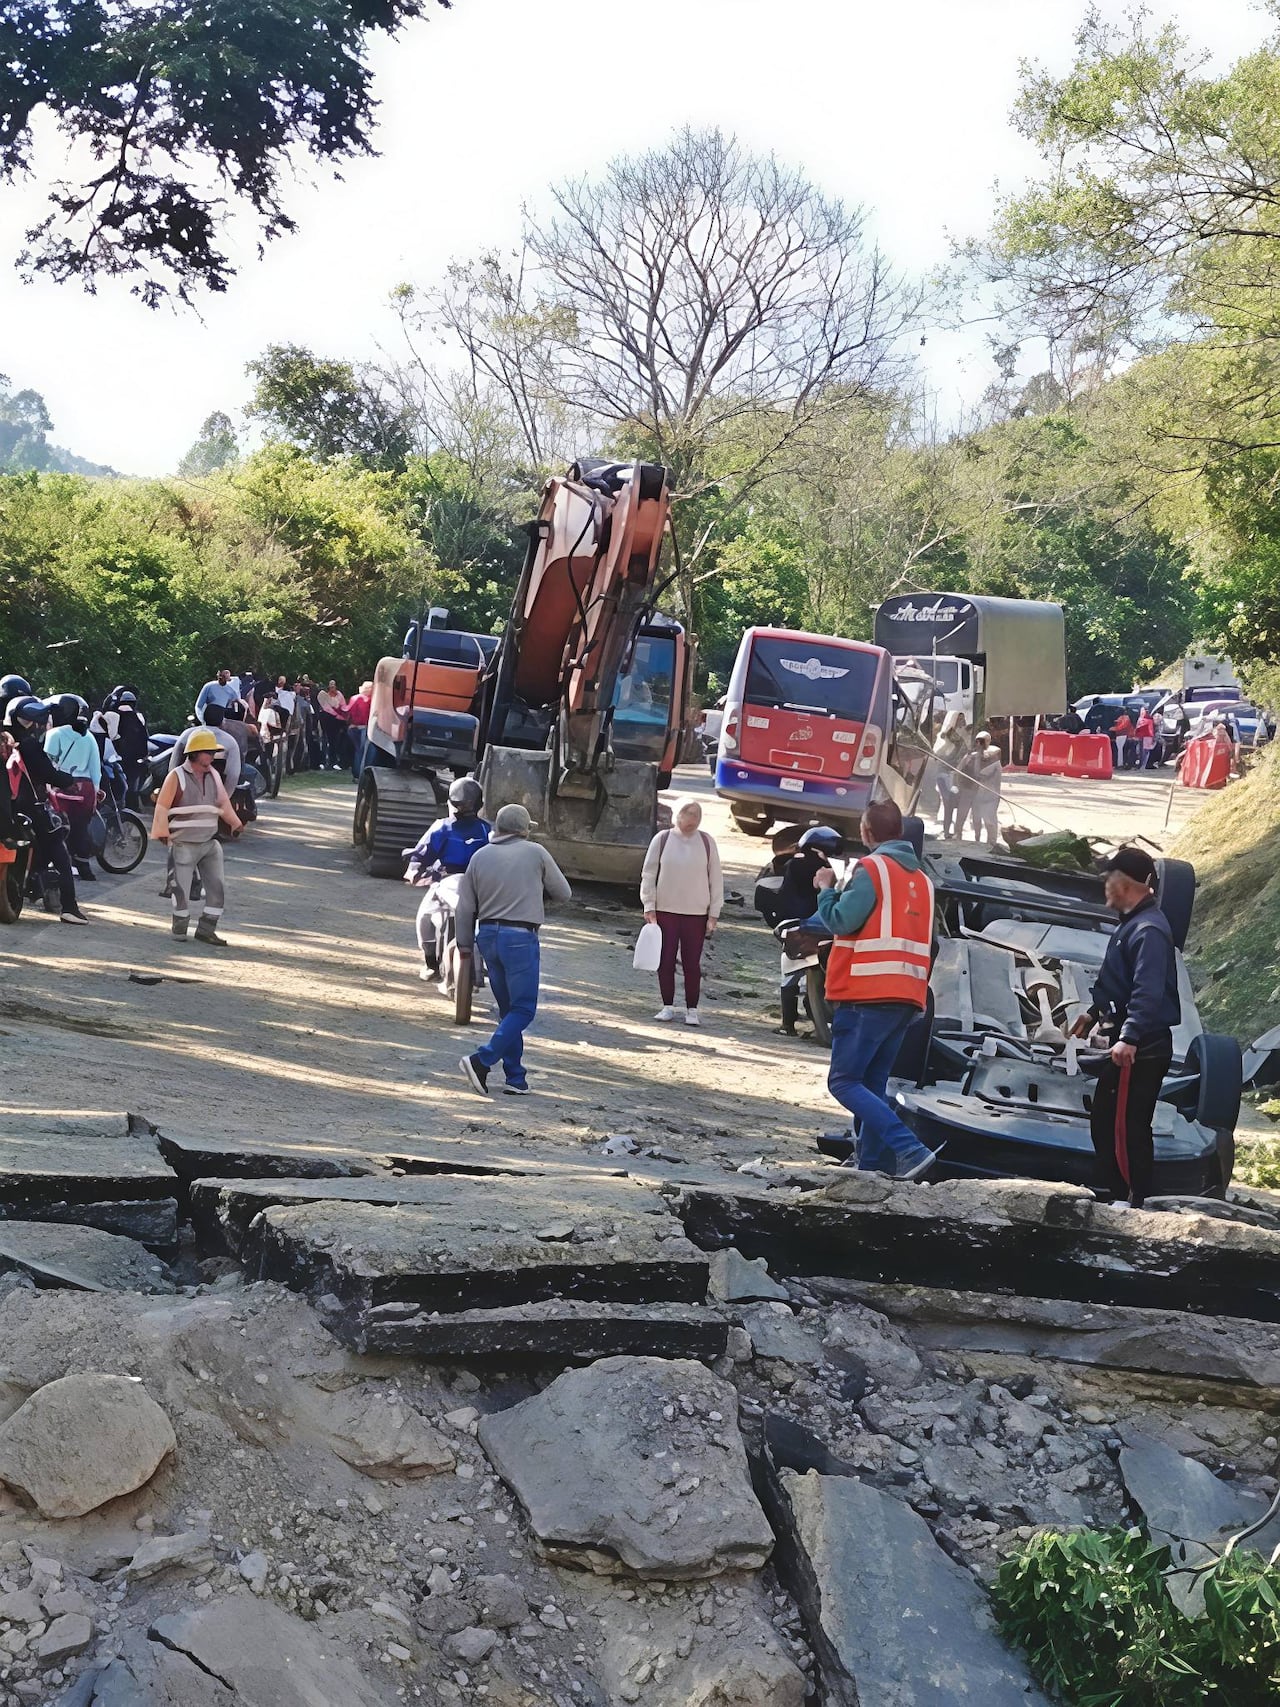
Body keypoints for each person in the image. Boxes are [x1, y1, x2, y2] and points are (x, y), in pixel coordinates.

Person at [813, 798, 939, 1180]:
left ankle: (909, 1148)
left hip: (866, 992)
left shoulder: (872, 869)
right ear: (898, 832)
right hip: (907, 995)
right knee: (872, 1082)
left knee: (844, 1081)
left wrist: (826, 888)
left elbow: (840, 919)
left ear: (866, 833)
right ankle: (874, 1166)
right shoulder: (924, 881)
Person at [1069, 847, 1179, 1210]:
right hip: (1132, 1040)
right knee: (1106, 1116)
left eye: (1109, 878)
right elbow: (1121, 982)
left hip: (1143, 1046)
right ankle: (1113, 1189)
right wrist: (1093, 1012)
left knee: (1126, 1125)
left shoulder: (1149, 930)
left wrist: (1129, 1037)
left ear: (1127, 884)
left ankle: (1132, 1200)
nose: (1104, 885)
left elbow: (1147, 991)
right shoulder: (1131, 924)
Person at [456, 803, 571, 1096]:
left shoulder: (479, 856)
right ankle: (481, 1060)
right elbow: (564, 893)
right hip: (520, 936)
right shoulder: (535, 852)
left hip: (487, 936)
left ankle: (515, 1078)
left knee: (509, 1009)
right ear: (523, 829)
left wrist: (464, 946)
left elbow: (465, 907)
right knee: (523, 1009)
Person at [151, 728, 242, 944]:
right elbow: (162, 806)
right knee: (180, 890)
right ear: (194, 753)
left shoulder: (214, 776)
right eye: (207, 752)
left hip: (209, 842)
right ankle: (180, 928)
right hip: (183, 843)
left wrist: (235, 823)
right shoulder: (176, 776)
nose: (212, 756)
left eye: (213, 752)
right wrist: (162, 832)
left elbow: (222, 803)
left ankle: (206, 929)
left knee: (217, 889)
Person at [639, 796, 724, 1026]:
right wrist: (649, 904)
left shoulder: (707, 842)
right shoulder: (663, 839)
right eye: (689, 814)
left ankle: (692, 1010)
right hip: (665, 910)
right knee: (665, 960)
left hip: (696, 913)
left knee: (691, 963)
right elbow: (648, 874)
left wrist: (714, 912)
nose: (693, 819)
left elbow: (715, 878)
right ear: (677, 816)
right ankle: (667, 1006)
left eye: (697, 815)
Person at [5, 695, 88, 923]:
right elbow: (49, 774)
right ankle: (69, 907)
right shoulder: (29, 744)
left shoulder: (7, 740)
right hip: (31, 806)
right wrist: (68, 779)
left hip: (9, 808)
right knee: (59, 852)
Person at [406, 777, 492, 979]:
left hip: (446, 882)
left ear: (450, 803)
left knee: (424, 918)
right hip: (479, 887)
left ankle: (430, 964)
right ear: (480, 804)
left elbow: (421, 855)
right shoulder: (487, 830)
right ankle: (488, 960)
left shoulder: (441, 827)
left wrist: (415, 870)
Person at [767, 824, 841, 1036]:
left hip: (796, 928)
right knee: (810, 977)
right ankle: (808, 1022)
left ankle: (787, 1024)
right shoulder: (821, 868)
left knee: (789, 976)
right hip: (816, 926)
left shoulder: (795, 864)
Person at [44, 695, 102, 880]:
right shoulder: (90, 737)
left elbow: (48, 765)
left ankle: (61, 866)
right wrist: (95, 790)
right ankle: (84, 868)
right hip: (85, 790)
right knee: (80, 829)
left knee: (58, 828)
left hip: (61, 789)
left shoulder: (55, 734)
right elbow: (96, 768)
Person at [168, 702, 241, 792]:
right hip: (216, 794)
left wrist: (174, 792)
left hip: (185, 791)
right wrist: (225, 798)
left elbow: (173, 765)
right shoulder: (230, 742)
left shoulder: (187, 735)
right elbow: (233, 775)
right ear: (222, 721)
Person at [932, 711, 970, 839]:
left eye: (963, 719)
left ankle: (954, 830)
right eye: (959, 719)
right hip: (944, 775)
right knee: (948, 802)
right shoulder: (947, 736)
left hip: (956, 775)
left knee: (956, 802)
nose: (962, 722)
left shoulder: (963, 737)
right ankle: (947, 830)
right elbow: (940, 755)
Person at [963, 730, 1003, 845]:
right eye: (978, 741)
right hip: (977, 795)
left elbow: (981, 775)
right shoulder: (973, 757)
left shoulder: (994, 758)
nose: (979, 744)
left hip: (991, 796)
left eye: (982, 741)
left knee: (989, 821)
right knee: (976, 819)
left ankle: (991, 843)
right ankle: (977, 840)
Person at [317, 680, 350, 770]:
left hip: (338, 722)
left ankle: (336, 761)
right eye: (330, 686)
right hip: (328, 720)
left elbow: (343, 706)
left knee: (337, 741)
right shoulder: (325, 697)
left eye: (333, 686)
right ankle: (325, 762)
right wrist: (336, 714)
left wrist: (341, 716)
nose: (332, 688)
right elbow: (327, 709)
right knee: (326, 740)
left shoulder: (339, 695)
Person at [346, 680, 373, 779]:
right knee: (362, 751)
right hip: (364, 727)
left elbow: (347, 711)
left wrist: (350, 723)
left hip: (353, 728)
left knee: (357, 750)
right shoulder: (369, 700)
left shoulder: (354, 698)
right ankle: (360, 774)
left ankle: (356, 774)